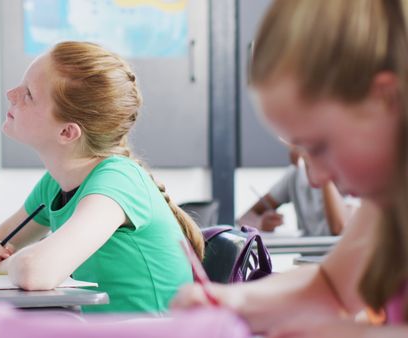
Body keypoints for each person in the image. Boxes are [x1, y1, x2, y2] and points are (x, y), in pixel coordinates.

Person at [172, 0, 408, 336]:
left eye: (319, 147)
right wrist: (233, 301)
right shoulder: (387, 200)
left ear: (387, 98)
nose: (314, 178)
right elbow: (331, 287)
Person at [0, 41, 204, 313]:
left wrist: (0, 265)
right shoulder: (54, 185)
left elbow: (35, 271)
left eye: (29, 94)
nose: (11, 93)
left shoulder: (117, 181)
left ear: (67, 132)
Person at [238, 148, 349, 236]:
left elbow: (338, 228)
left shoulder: (351, 169)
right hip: (306, 260)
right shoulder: (296, 173)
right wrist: (260, 224)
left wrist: (319, 164)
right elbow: (243, 219)